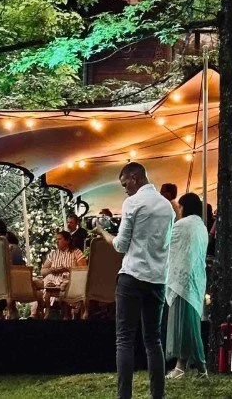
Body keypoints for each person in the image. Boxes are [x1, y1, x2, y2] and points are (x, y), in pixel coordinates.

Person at [93, 161, 174, 399]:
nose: (124, 189)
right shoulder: (167, 207)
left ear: (135, 178)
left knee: (124, 339)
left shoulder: (133, 203)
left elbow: (120, 245)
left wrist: (103, 233)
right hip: (158, 279)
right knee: (153, 340)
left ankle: (124, 396)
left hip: (132, 276)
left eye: (124, 183)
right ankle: (157, 395)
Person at [165, 193, 209, 380]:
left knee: (187, 326)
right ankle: (181, 366)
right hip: (195, 280)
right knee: (188, 325)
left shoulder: (183, 225)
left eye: (180, 207)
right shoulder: (201, 226)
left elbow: (168, 246)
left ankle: (201, 368)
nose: (179, 211)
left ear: (185, 207)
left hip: (182, 281)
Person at [40, 230, 87, 314]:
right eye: (56, 239)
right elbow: (43, 271)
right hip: (53, 281)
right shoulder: (53, 254)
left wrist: (67, 269)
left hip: (70, 281)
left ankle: (67, 313)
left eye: (59, 239)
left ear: (67, 240)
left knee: (65, 285)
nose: (57, 241)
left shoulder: (76, 252)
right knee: (44, 286)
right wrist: (52, 269)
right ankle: (43, 313)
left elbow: (83, 269)